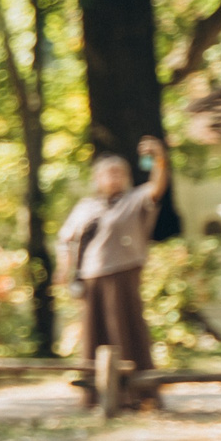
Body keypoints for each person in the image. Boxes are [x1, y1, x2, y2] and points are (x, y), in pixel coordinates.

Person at [57, 136, 171, 410]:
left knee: (127, 332)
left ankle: (138, 394)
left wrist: (159, 158)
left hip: (123, 273)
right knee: (95, 336)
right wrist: (64, 269)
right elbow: (65, 240)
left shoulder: (134, 200)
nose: (114, 177)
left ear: (127, 176)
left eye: (119, 172)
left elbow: (158, 187)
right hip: (92, 277)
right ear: (97, 178)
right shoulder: (86, 207)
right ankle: (96, 396)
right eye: (108, 173)